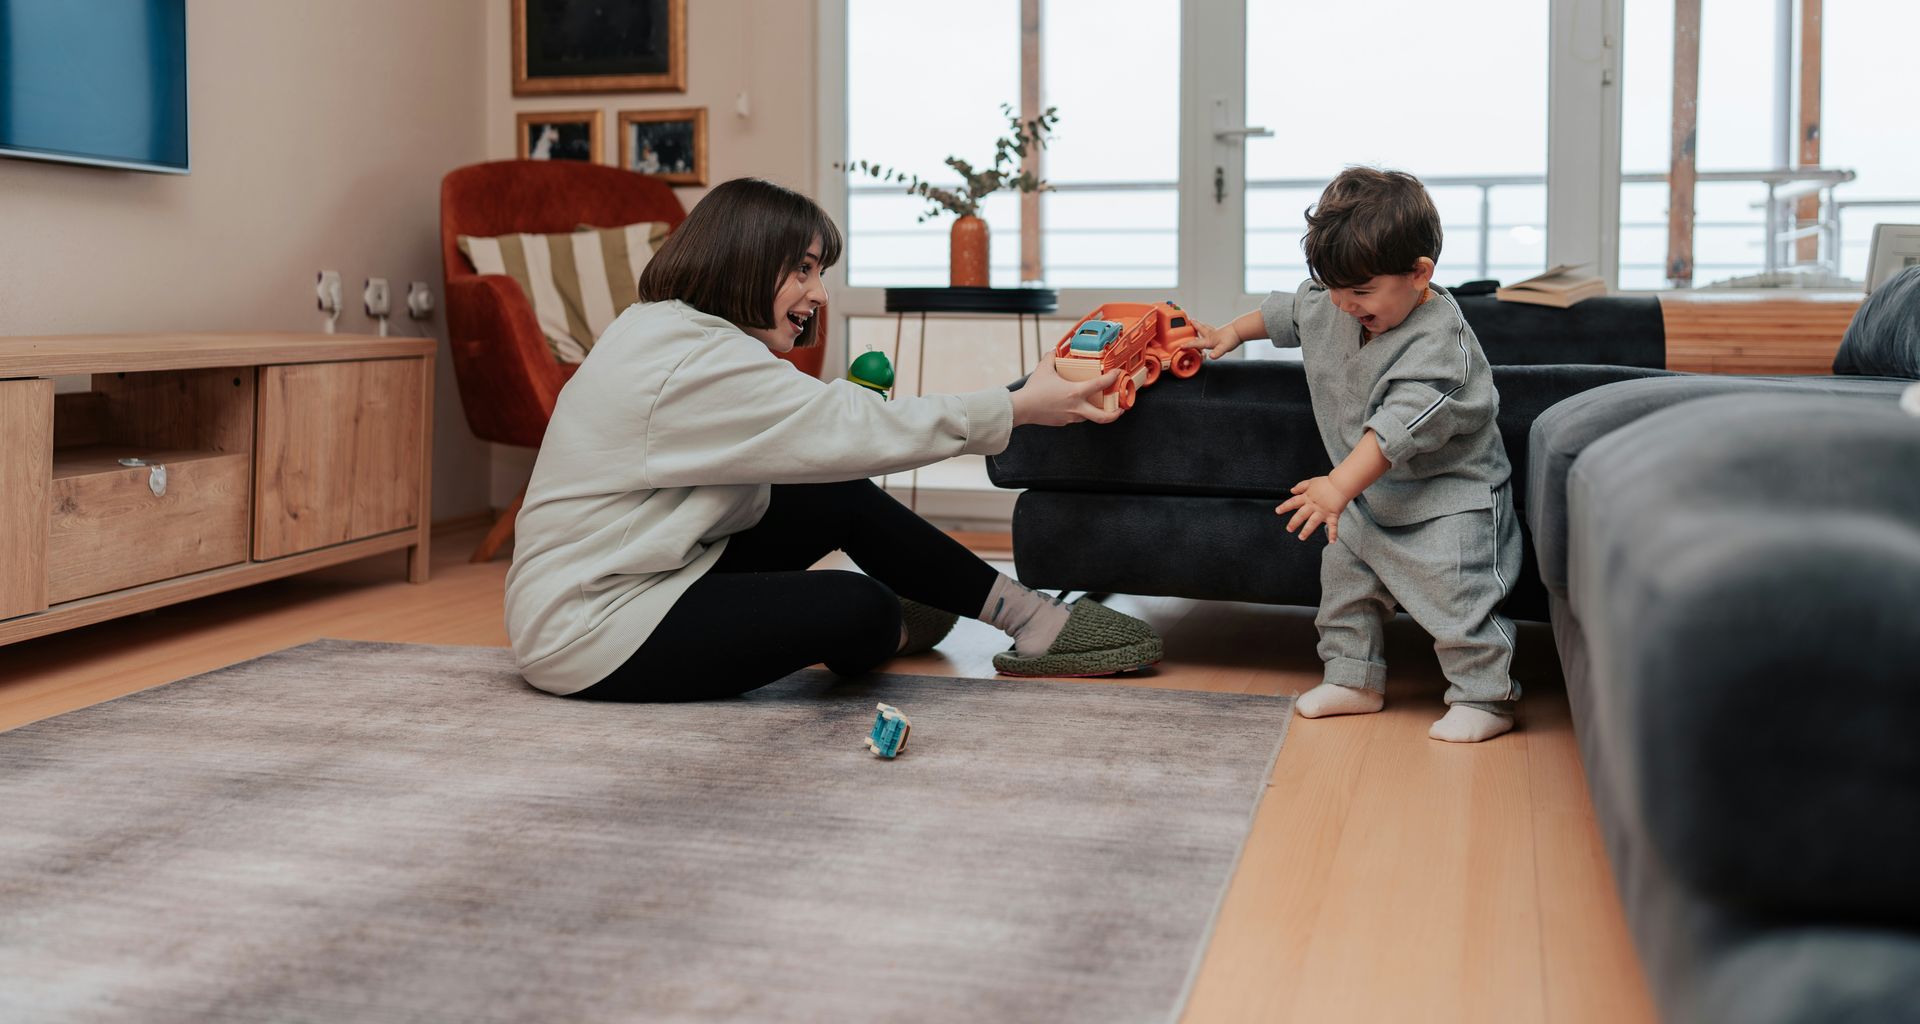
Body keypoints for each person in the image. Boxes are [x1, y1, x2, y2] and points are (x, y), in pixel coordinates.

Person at [505, 177, 1163, 703]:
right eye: (803, 270)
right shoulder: (692, 360)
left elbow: (830, 437)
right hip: (590, 630)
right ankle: (934, 612)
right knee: (857, 608)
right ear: (745, 260)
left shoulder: (674, 332)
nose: (818, 293)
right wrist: (1019, 407)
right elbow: (857, 428)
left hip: (645, 572)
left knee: (829, 493)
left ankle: (1027, 618)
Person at [1193, 166, 1522, 743]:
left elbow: (1401, 426)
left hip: (1449, 498)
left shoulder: (1440, 344)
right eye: (1335, 289)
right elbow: (1286, 312)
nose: (1343, 305)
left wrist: (1338, 486)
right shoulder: (1332, 299)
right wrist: (1231, 334)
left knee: (1459, 597)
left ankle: (1484, 697)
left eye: (1362, 293)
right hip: (1369, 494)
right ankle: (1353, 677)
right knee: (1344, 582)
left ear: (1420, 275)